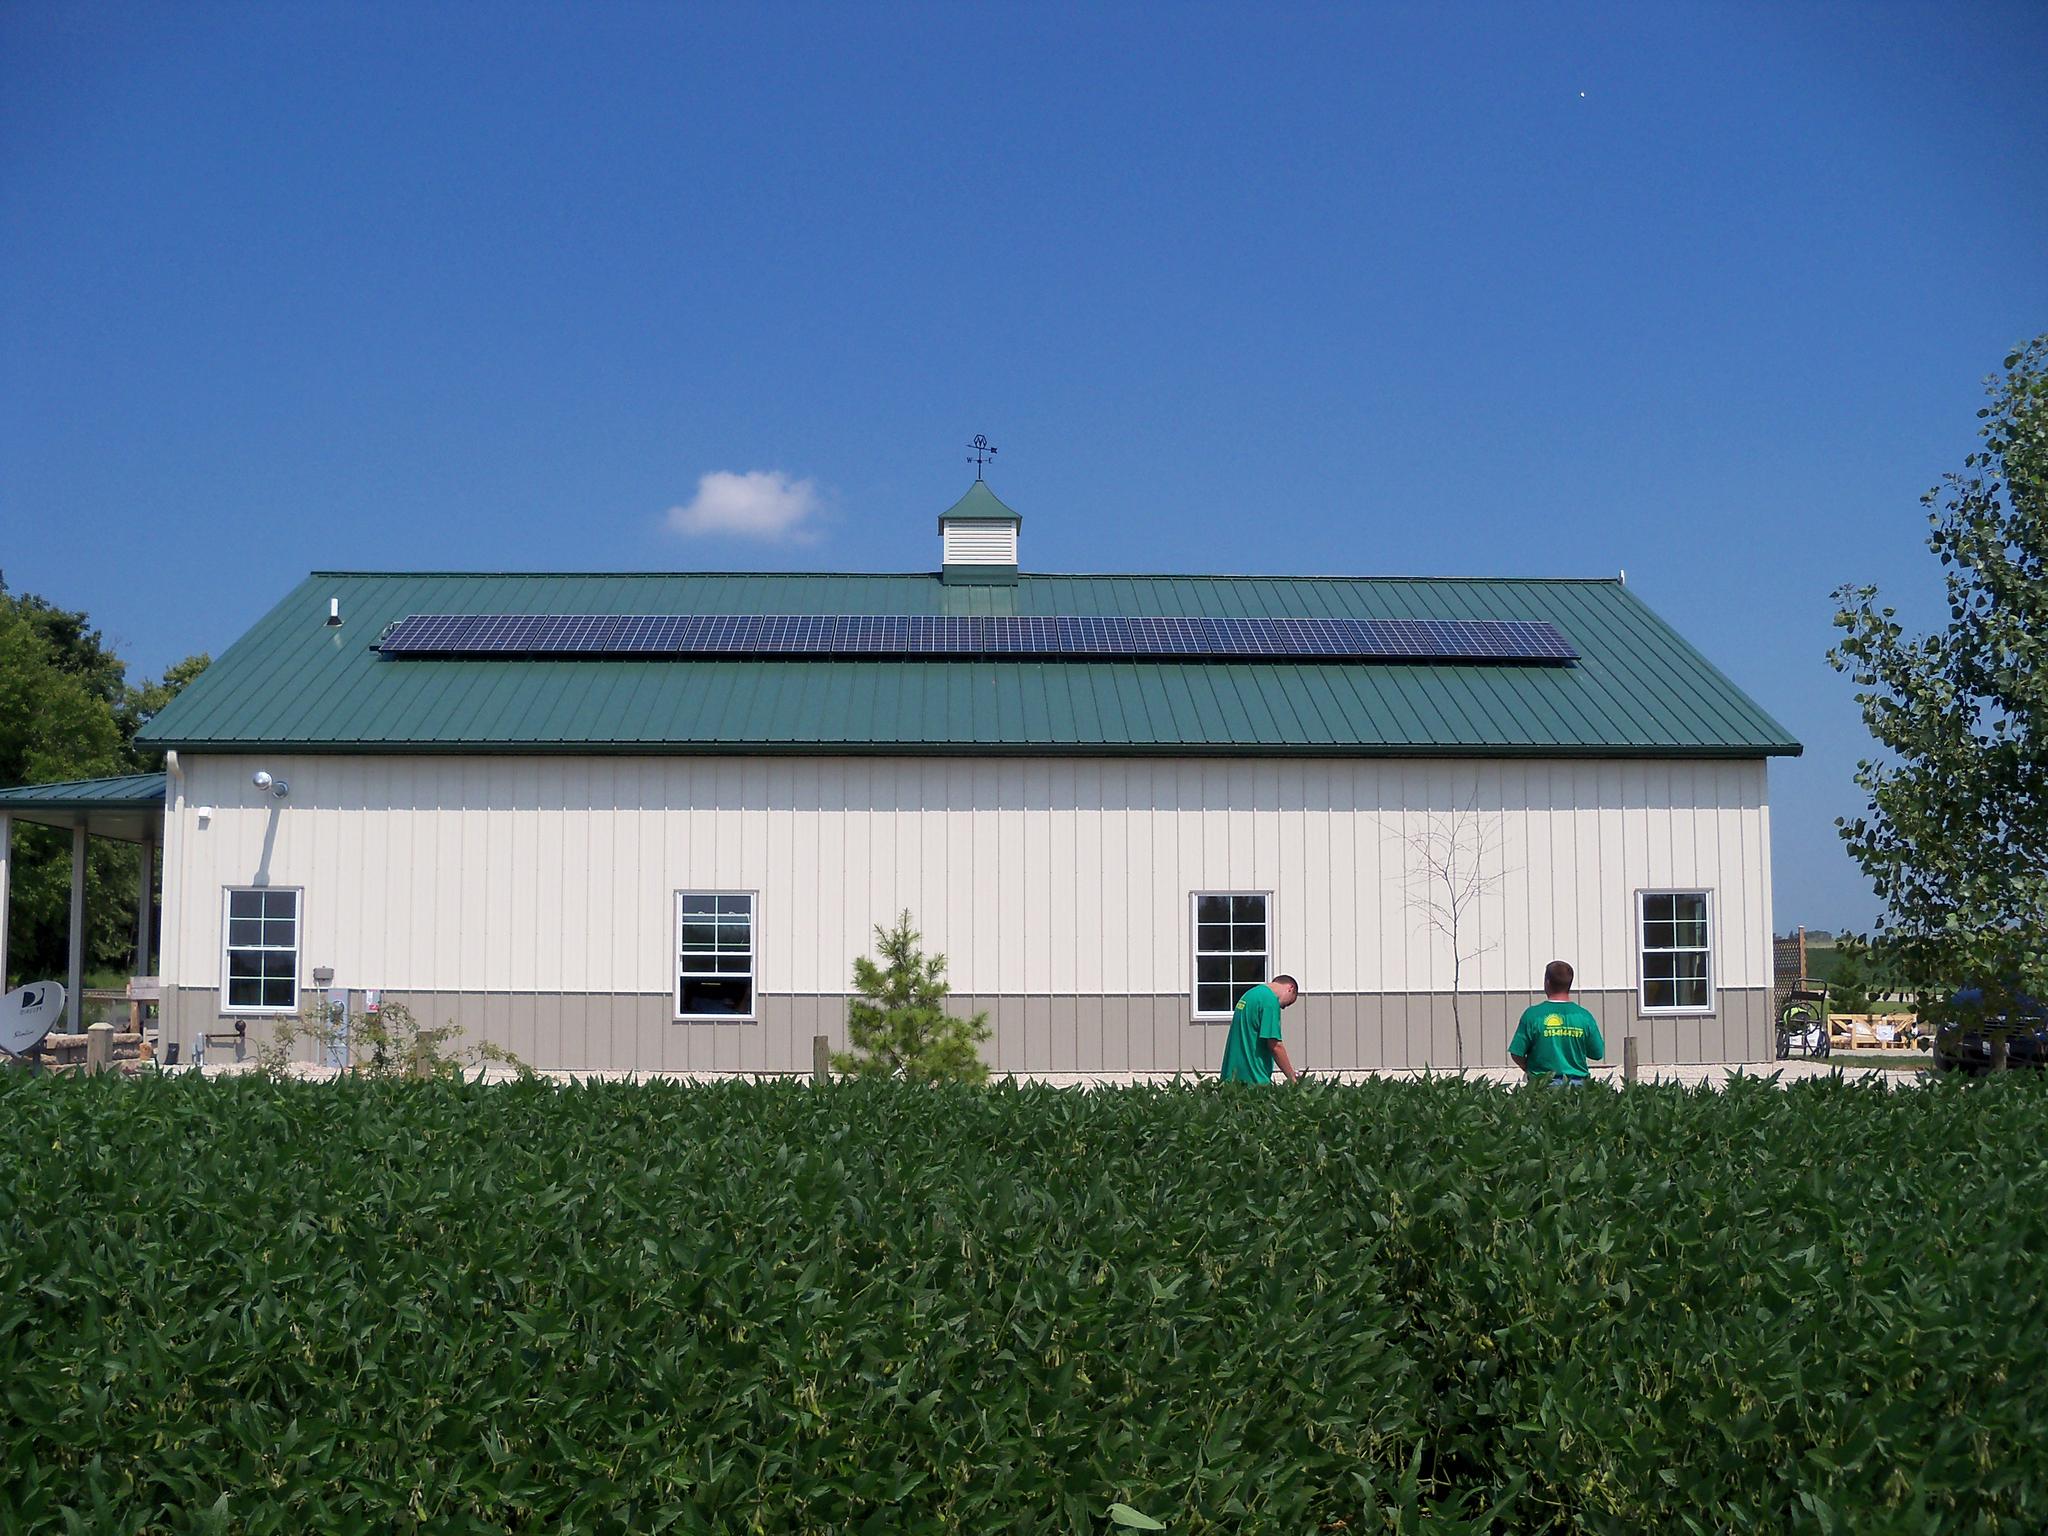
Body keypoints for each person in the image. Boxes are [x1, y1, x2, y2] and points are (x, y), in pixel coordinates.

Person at [1510, 961, 1605, 1085]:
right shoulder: (1584, 1016)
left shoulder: (1532, 1015)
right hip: (1578, 1086)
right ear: (1570, 984)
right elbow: (1597, 1053)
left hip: (1542, 1085)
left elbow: (1517, 1053)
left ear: (1547, 982)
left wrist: (1529, 1069)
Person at [1219, 974, 1302, 1084]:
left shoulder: (1250, 994)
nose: (1283, 1007)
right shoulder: (1270, 1001)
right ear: (1290, 988)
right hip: (1254, 1079)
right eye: (1288, 1004)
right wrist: (1292, 1077)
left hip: (1232, 1077)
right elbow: (1275, 1046)